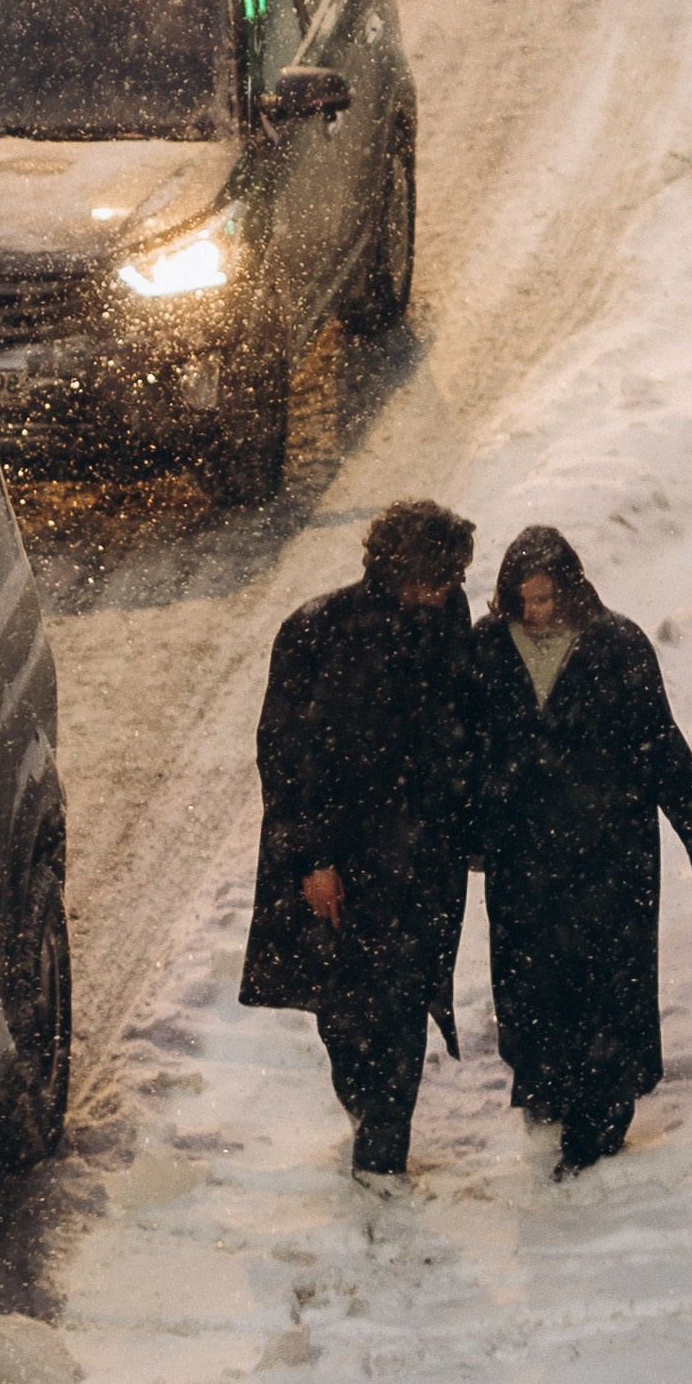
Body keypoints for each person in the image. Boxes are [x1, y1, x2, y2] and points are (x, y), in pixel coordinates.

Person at [471, 525, 692, 1177]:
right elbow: (459, 752)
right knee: (529, 988)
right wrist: (465, 834)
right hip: (522, 858)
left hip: (608, 855)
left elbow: (658, 745)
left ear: (571, 589)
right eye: (523, 600)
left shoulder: (616, 645)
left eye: (545, 599)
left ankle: (600, 1120)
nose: (534, 613)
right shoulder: (483, 651)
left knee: (606, 990)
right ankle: (544, 1100)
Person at [240, 499, 476, 1180]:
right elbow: (286, 755)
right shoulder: (320, 632)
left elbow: (461, 723)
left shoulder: (447, 622)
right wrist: (311, 859)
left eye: (452, 577)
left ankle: (382, 1146)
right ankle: (368, 1110)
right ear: (398, 570)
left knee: (401, 1000)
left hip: (421, 852)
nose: (444, 590)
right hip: (343, 857)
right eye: (436, 576)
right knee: (344, 1007)